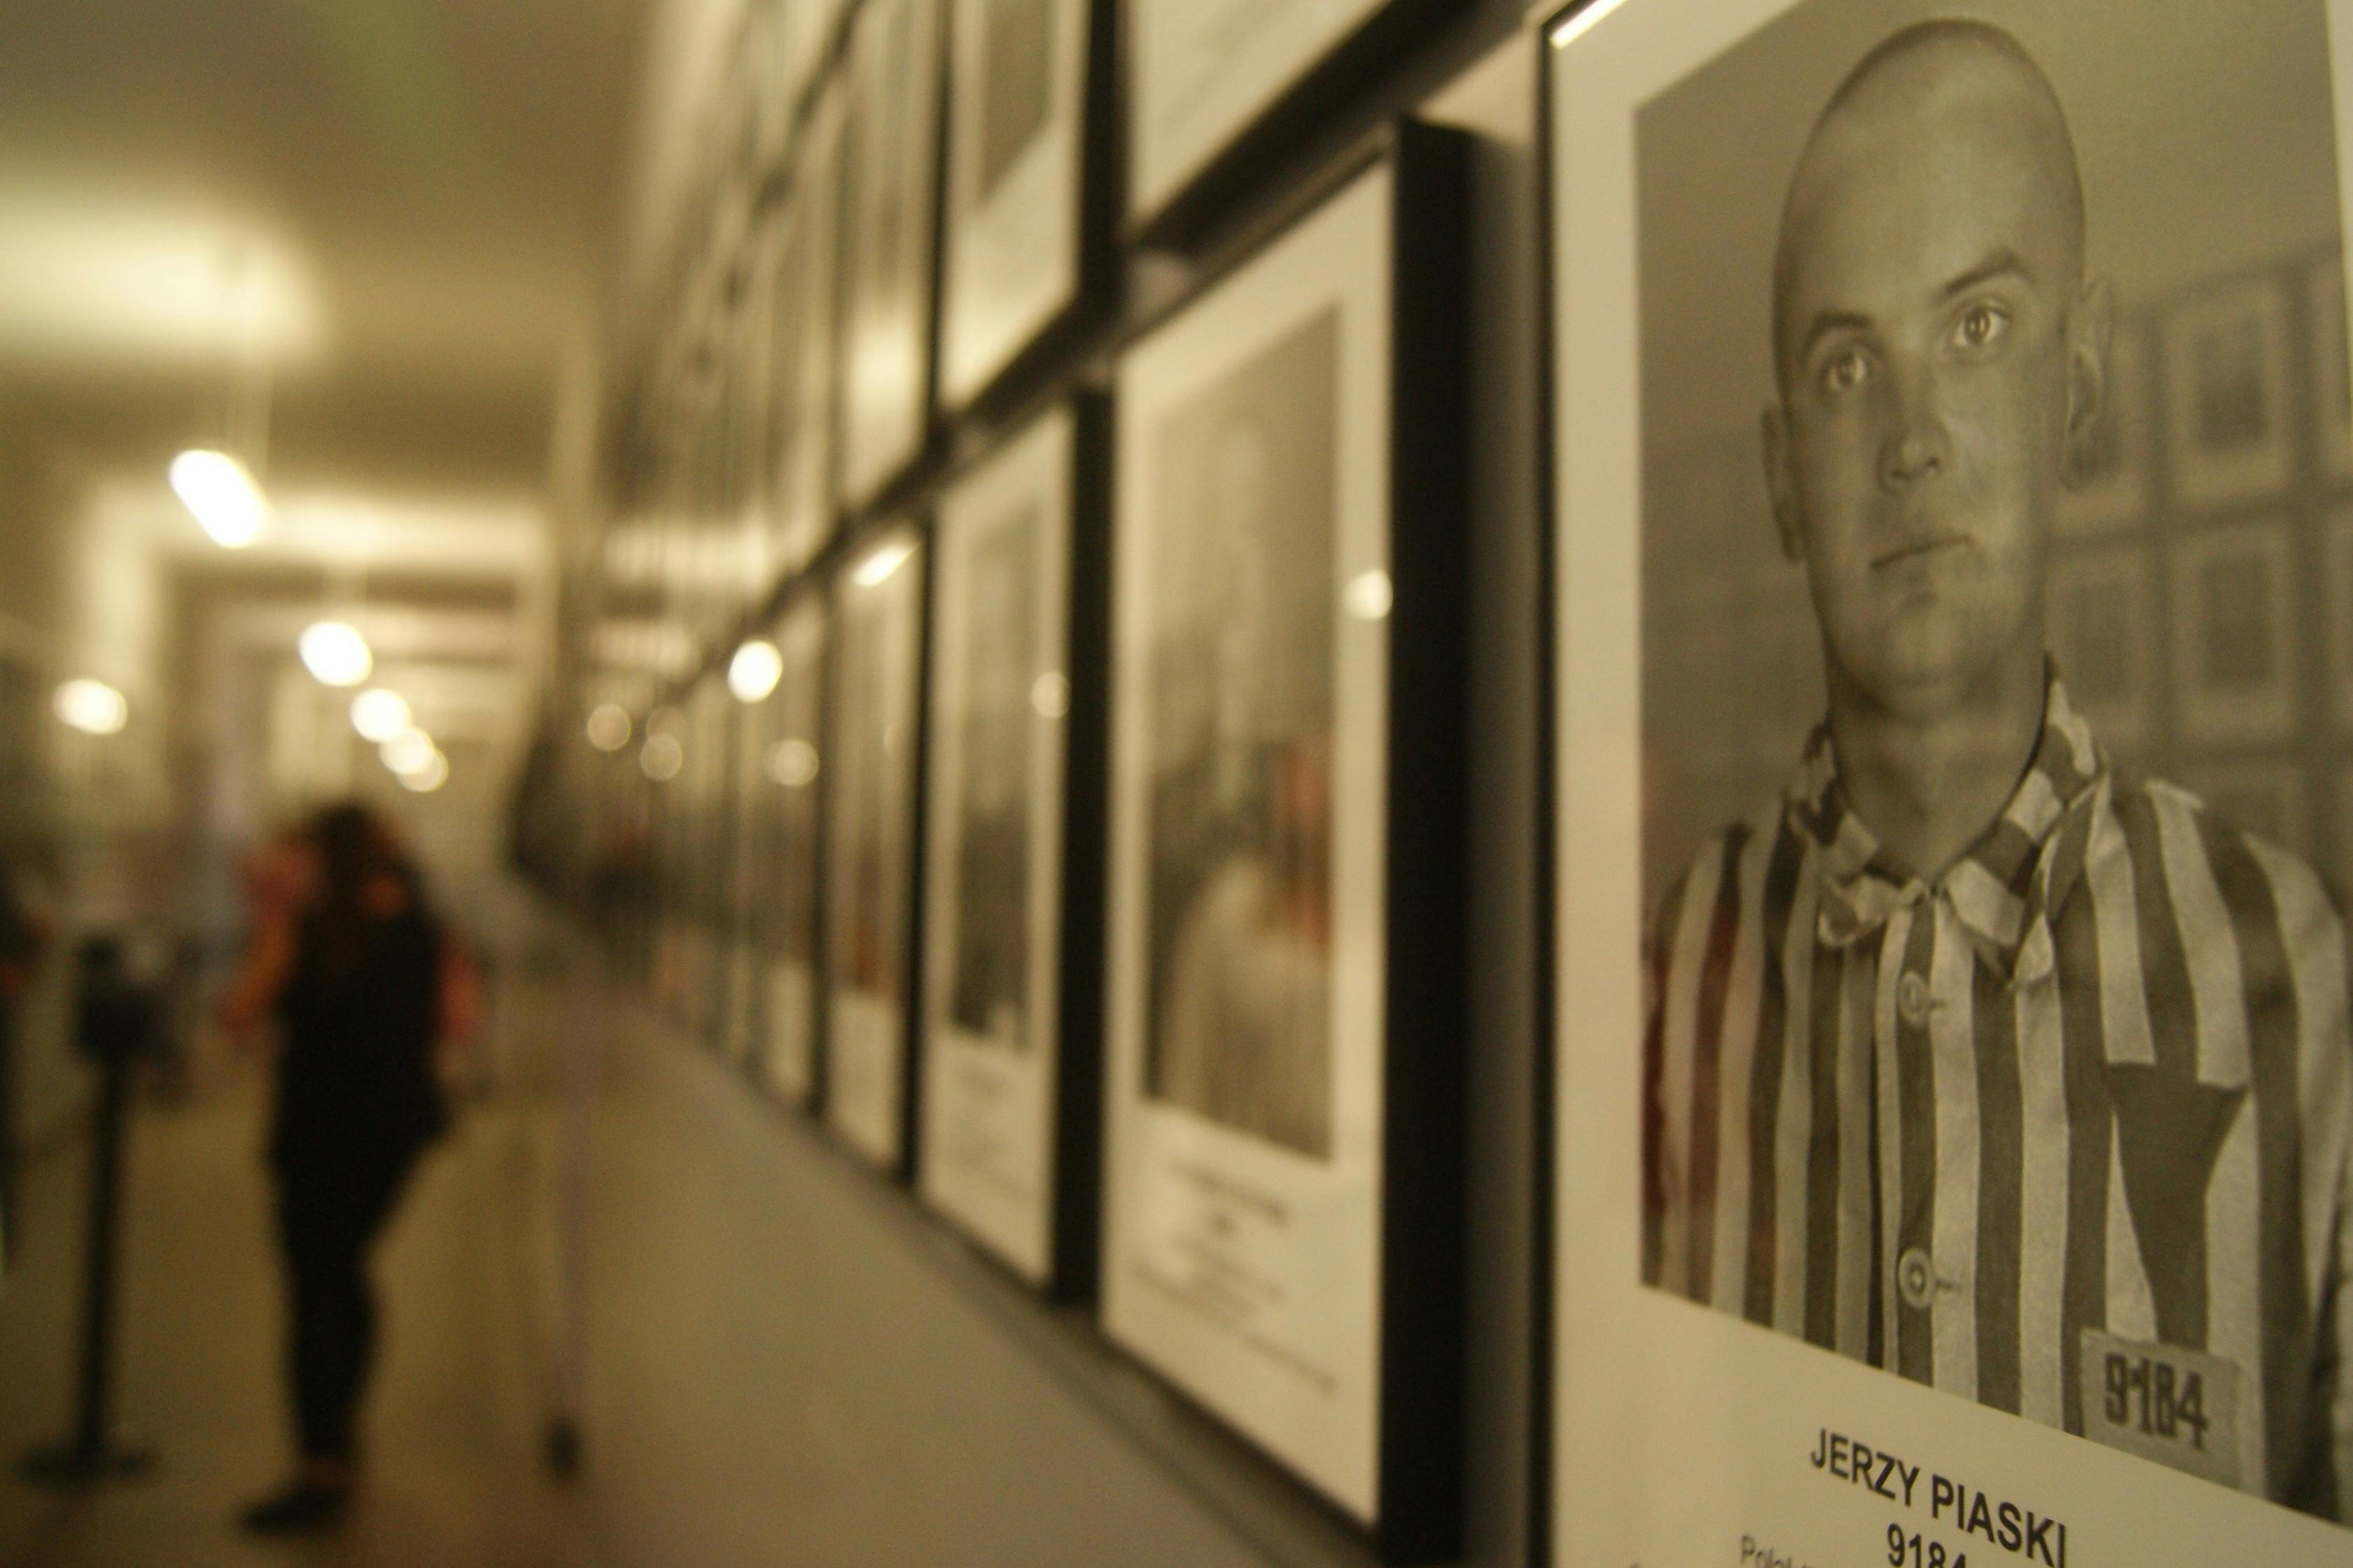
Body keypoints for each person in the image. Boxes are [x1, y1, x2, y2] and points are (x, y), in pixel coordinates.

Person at [1641, 20, 2353, 1519]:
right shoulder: (1658, 981)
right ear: (1782, 474)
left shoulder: (2307, 982)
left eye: (1975, 330)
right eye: (1849, 365)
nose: (1909, 440)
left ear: (2079, 381)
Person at [217, 805, 477, 1532]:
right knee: (347, 1269)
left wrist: (267, 921)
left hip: (319, 1133)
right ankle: (340, 1435)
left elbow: (238, 1014)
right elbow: (460, 1017)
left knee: (317, 1288)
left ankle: (321, 1459)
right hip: (397, 1131)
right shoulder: (425, 922)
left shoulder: (304, 928)